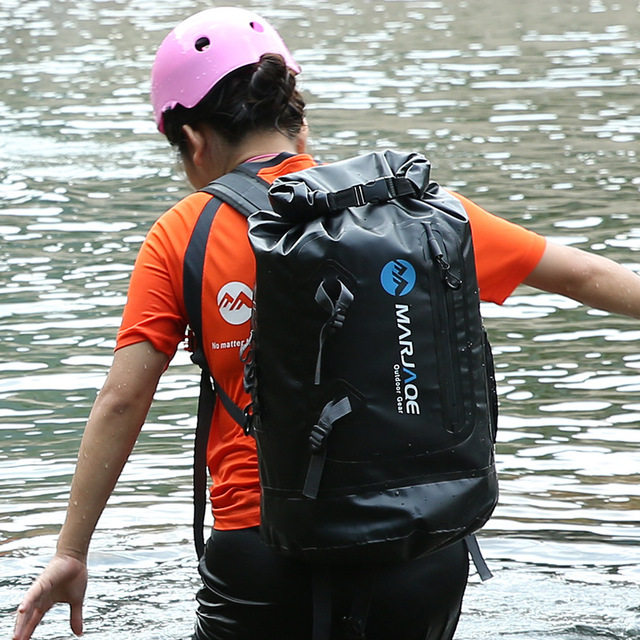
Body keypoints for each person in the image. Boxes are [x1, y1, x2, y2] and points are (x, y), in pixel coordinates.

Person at [12, 6, 640, 640]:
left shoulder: (181, 234)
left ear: (194, 141)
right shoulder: (416, 213)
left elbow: (123, 400)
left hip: (264, 548)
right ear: (299, 122)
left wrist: (71, 552)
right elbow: (582, 276)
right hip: (421, 542)